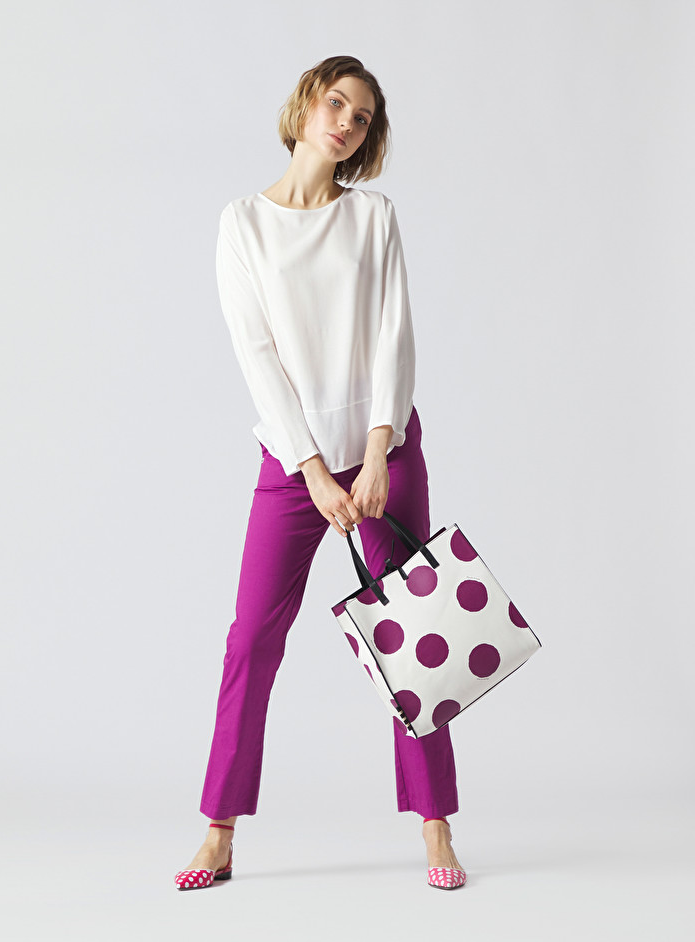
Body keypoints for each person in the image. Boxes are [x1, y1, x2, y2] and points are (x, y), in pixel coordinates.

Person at [174, 56, 467, 892]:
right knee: (252, 639)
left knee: (410, 632)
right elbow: (257, 353)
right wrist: (311, 470)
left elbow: (393, 333)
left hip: (384, 454)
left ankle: (437, 826)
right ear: (306, 104)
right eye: (337, 103)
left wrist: (376, 455)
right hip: (294, 464)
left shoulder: (372, 216)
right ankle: (219, 832)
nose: (346, 122)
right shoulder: (242, 223)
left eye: (362, 117)